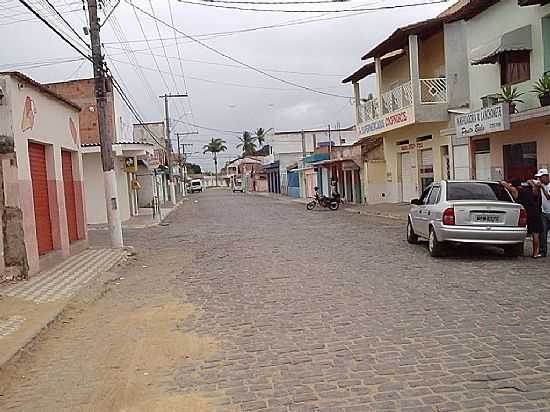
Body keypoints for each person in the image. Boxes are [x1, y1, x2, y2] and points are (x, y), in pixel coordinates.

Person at [502, 178, 543, 258]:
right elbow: (535, 191)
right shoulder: (529, 190)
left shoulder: (515, 190)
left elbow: (506, 185)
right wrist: (531, 183)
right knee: (536, 234)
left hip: (524, 213)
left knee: (521, 233)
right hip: (535, 212)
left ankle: (520, 252)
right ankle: (535, 253)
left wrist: (501, 182)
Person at [535, 169, 550, 257]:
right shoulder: (541, 185)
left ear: (546, 176)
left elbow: (548, 197)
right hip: (544, 212)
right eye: (538, 178)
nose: (540, 179)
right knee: (543, 233)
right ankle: (542, 251)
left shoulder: (546, 186)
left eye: (541, 177)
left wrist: (542, 188)